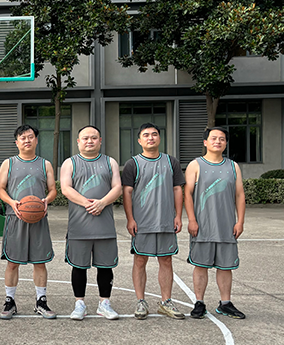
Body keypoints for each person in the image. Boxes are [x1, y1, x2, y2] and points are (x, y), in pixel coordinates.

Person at [122, 123, 185, 320]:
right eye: (146, 135)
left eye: (154, 134)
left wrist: (178, 216)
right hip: (142, 222)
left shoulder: (171, 162)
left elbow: (177, 189)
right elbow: (127, 192)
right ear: (139, 140)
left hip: (166, 221)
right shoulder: (133, 164)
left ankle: (166, 302)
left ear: (159, 138)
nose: (151, 138)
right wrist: (130, 219)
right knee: (140, 260)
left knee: (166, 260)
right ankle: (141, 301)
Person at [60, 125, 122, 321]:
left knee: (105, 266)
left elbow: (117, 187)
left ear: (100, 141)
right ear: (78, 141)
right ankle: (79, 304)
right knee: (79, 266)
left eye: (94, 138)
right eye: (85, 138)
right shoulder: (70, 163)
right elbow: (66, 188)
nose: (89, 141)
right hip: (79, 226)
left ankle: (104, 303)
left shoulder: (110, 162)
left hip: (104, 225)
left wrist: (102, 203)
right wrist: (87, 203)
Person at [184, 127, 246, 319]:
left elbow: (239, 195)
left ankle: (225, 303)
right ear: (205, 142)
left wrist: (240, 221)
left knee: (225, 266)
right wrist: (192, 220)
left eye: (222, 139)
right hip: (202, 226)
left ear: (226, 143)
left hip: (226, 226)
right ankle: (199, 303)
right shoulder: (195, 165)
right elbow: (187, 194)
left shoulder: (233, 166)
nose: (217, 141)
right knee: (200, 265)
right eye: (213, 138)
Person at [0, 125, 57, 319]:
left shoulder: (45, 164)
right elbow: (0, 188)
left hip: (38, 218)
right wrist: (11, 202)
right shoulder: (8, 163)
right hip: (15, 218)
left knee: (40, 262)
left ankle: (41, 301)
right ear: (17, 142)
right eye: (23, 138)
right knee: (12, 263)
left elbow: (52, 190)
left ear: (36, 140)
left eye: (30, 137)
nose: (27, 140)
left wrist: (46, 200)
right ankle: (9, 301)